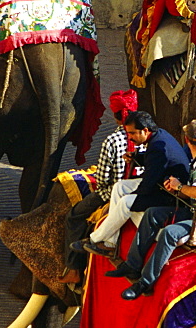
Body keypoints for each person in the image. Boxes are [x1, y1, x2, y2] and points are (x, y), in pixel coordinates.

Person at [109, 119, 196, 300]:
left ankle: (145, 281)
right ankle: (132, 265)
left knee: (169, 233)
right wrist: (174, 187)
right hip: (195, 209)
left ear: (186, 140)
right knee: (152, 213)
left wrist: (179, 187)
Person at [71, 111, 189, 259]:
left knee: (126, 202)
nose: (130, 138)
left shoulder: (159, 147)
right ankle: (110, 243)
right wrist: (136, 156)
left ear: (145, 130)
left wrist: (132, 199)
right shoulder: (158, 136)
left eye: (133, 133)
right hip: (159, 183)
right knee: (119, 187)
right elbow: (153, 162)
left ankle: (95, 239)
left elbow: (148, 184)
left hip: (169, 193)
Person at [57, 89, 140, 285]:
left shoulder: (112, 140)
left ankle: (73, 268)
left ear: (117, 117)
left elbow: (102, 180)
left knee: (74, 217)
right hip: (140, 190)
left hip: (113, 192)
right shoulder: (150, 135)